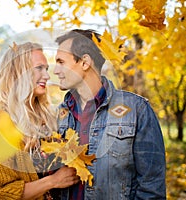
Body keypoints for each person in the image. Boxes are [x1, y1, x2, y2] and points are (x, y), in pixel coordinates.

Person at [53, 29, 166, 199]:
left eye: (61, 62)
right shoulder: (56, 116)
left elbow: (151, 188)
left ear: (84, 62)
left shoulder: (137, 110)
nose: (55, 70)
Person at [0, 42, 80, 200]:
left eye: (46, 68)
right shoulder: (1, 126)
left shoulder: (49, 118)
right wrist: (52, 181)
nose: (46, 75)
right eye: (39, 68)